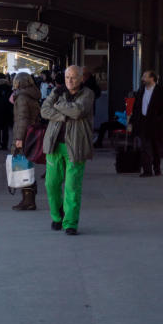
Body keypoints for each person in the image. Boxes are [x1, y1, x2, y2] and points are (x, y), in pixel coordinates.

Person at [41, 65, 94, 235]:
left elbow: (78, 111)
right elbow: (44, 110)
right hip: (54, 144)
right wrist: (64, 114)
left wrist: (57, 105)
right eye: (67, 77)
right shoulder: (57, 92)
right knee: (51, 184)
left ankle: (70, 223)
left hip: (76, 145)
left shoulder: (87, 94)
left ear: (81, 78)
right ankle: (57, 217)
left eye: (73, 77)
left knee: (72, 186)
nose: (69, 81)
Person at [129, 70, 163, 177]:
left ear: (152, 78)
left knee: (156, 146)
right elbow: (136, 107)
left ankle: (157, 168)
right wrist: (132, 122)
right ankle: (147, 170)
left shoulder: (162, 91)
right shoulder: (141, 91)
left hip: (156, 124)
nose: (142, 78)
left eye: (145, 76)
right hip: (143, 121)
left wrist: (160, 120)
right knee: (145, 146)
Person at [9, 72, 41, 210]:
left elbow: (22, 120)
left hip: (23, 135)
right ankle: (29, 198)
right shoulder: (31, 95)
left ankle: (28, 200)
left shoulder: (21, 97)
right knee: (25, 166)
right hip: (31, 134)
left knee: (22, 167)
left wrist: (18, 140)